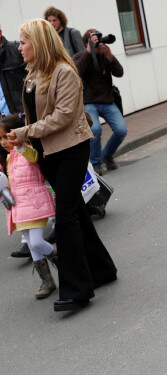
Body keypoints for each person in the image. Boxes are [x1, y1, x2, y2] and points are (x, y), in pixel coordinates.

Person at [7, 18, 117, 312]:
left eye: (24, 42)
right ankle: (103, 270)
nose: (20, 48)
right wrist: (20, 133)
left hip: (71, 149)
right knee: (77, 212)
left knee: (65, 216)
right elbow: (33, 115)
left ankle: (77, 289)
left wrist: (25, 133)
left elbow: (64, 116)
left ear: (39, 44)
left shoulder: (64, 72)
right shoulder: (32, 74)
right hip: (47, 152)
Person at [1, 114, 58, 299]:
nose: (3, 142)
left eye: (6, 136)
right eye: (0, 138)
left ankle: (61, 258)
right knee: (32, 246)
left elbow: (34, 159)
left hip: (34, 202)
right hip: (19, 206)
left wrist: (21, 145)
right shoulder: (9, 158)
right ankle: (47, 281)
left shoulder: (28, 150)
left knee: (36, 242)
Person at [1, 24, 35, 259]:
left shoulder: (16, 52)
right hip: (0, 129)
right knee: (10, 180)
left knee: (33, 170)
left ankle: (54, 215)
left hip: (18, 120)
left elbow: (31, 82)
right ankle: (27, 236)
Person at [74, 29, 127, 175]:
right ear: (87, 43)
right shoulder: (79, 56)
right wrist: (89, 53)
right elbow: (77, 72)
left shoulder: (104, 56)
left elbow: (120, 73)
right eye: (95, 42)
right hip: (89, 102)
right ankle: (95, 162)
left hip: (108, 100)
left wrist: (109, 55)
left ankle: (107, 154)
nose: (98, 45)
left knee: (121, 130)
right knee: (95, 129)